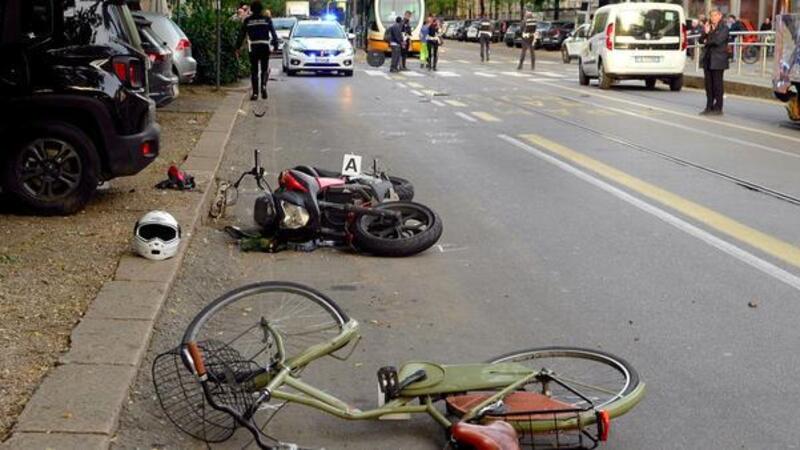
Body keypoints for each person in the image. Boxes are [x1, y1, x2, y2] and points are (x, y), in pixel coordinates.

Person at [235, 1, 279, 101]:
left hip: (253, 46)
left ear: (252, 9)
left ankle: (255, 93)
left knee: (254, 70)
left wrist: (237, 47)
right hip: (264, 46)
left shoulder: (248, 20)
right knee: (264, 68)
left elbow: (241, 35)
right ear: (261, 9)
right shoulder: (267, 19)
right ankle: (263, 86)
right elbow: (273, 33)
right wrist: (275, 45)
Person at [699, 9, 729, 115]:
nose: (713, 18)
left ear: (720, 16)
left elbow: (717, 41)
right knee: (708, 85)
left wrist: (707, 39)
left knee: (717, 85)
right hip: (708, 59)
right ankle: (709, 106)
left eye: (715, 15)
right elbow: (700, 40)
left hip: (718, 60)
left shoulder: (724, 28)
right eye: (711, 16)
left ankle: (718, 107)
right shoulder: (708, 27)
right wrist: (706, 33)